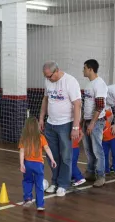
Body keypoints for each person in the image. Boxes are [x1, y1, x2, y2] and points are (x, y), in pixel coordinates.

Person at [39, 61, 82, 197]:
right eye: (46, 77)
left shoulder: (70, 81)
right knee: (52, 155)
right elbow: (45, 99)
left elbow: (77, 105)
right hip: (51, 124)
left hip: (66, 124)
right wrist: (41, 118)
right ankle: (55, 181)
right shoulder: (48, 81)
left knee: (65, 156)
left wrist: (75, 127)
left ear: (57, 70)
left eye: (50, 76)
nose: (48, 79)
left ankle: (63, 184)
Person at [19, 117, 57, 211]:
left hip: (27, 164)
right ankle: (40, 205)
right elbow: (47, 149)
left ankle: (28, 198)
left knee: (27, 181)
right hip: (38, 165)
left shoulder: (24, 138)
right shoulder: (41, 137)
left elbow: (22, 152)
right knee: (39, 184)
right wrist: (52, 159)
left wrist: (21, 164)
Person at [82, 59, 108, 188]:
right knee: (88, 149)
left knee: (97, 150)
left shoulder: (99, 84)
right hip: (87, 121)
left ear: (90, 69)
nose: (83, 70)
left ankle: (100, 175)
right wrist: (84, 121)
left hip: (96, 122)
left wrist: (92, 123)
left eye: (85, 68)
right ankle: (91, 172)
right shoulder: (89, 84)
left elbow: (100, 106)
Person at [102, 107, 115, 177]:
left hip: (113, 137)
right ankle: (106, 170)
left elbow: (111, 116)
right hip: (103, 140)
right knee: (104, 155)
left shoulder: (106, 110)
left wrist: (113, 124)